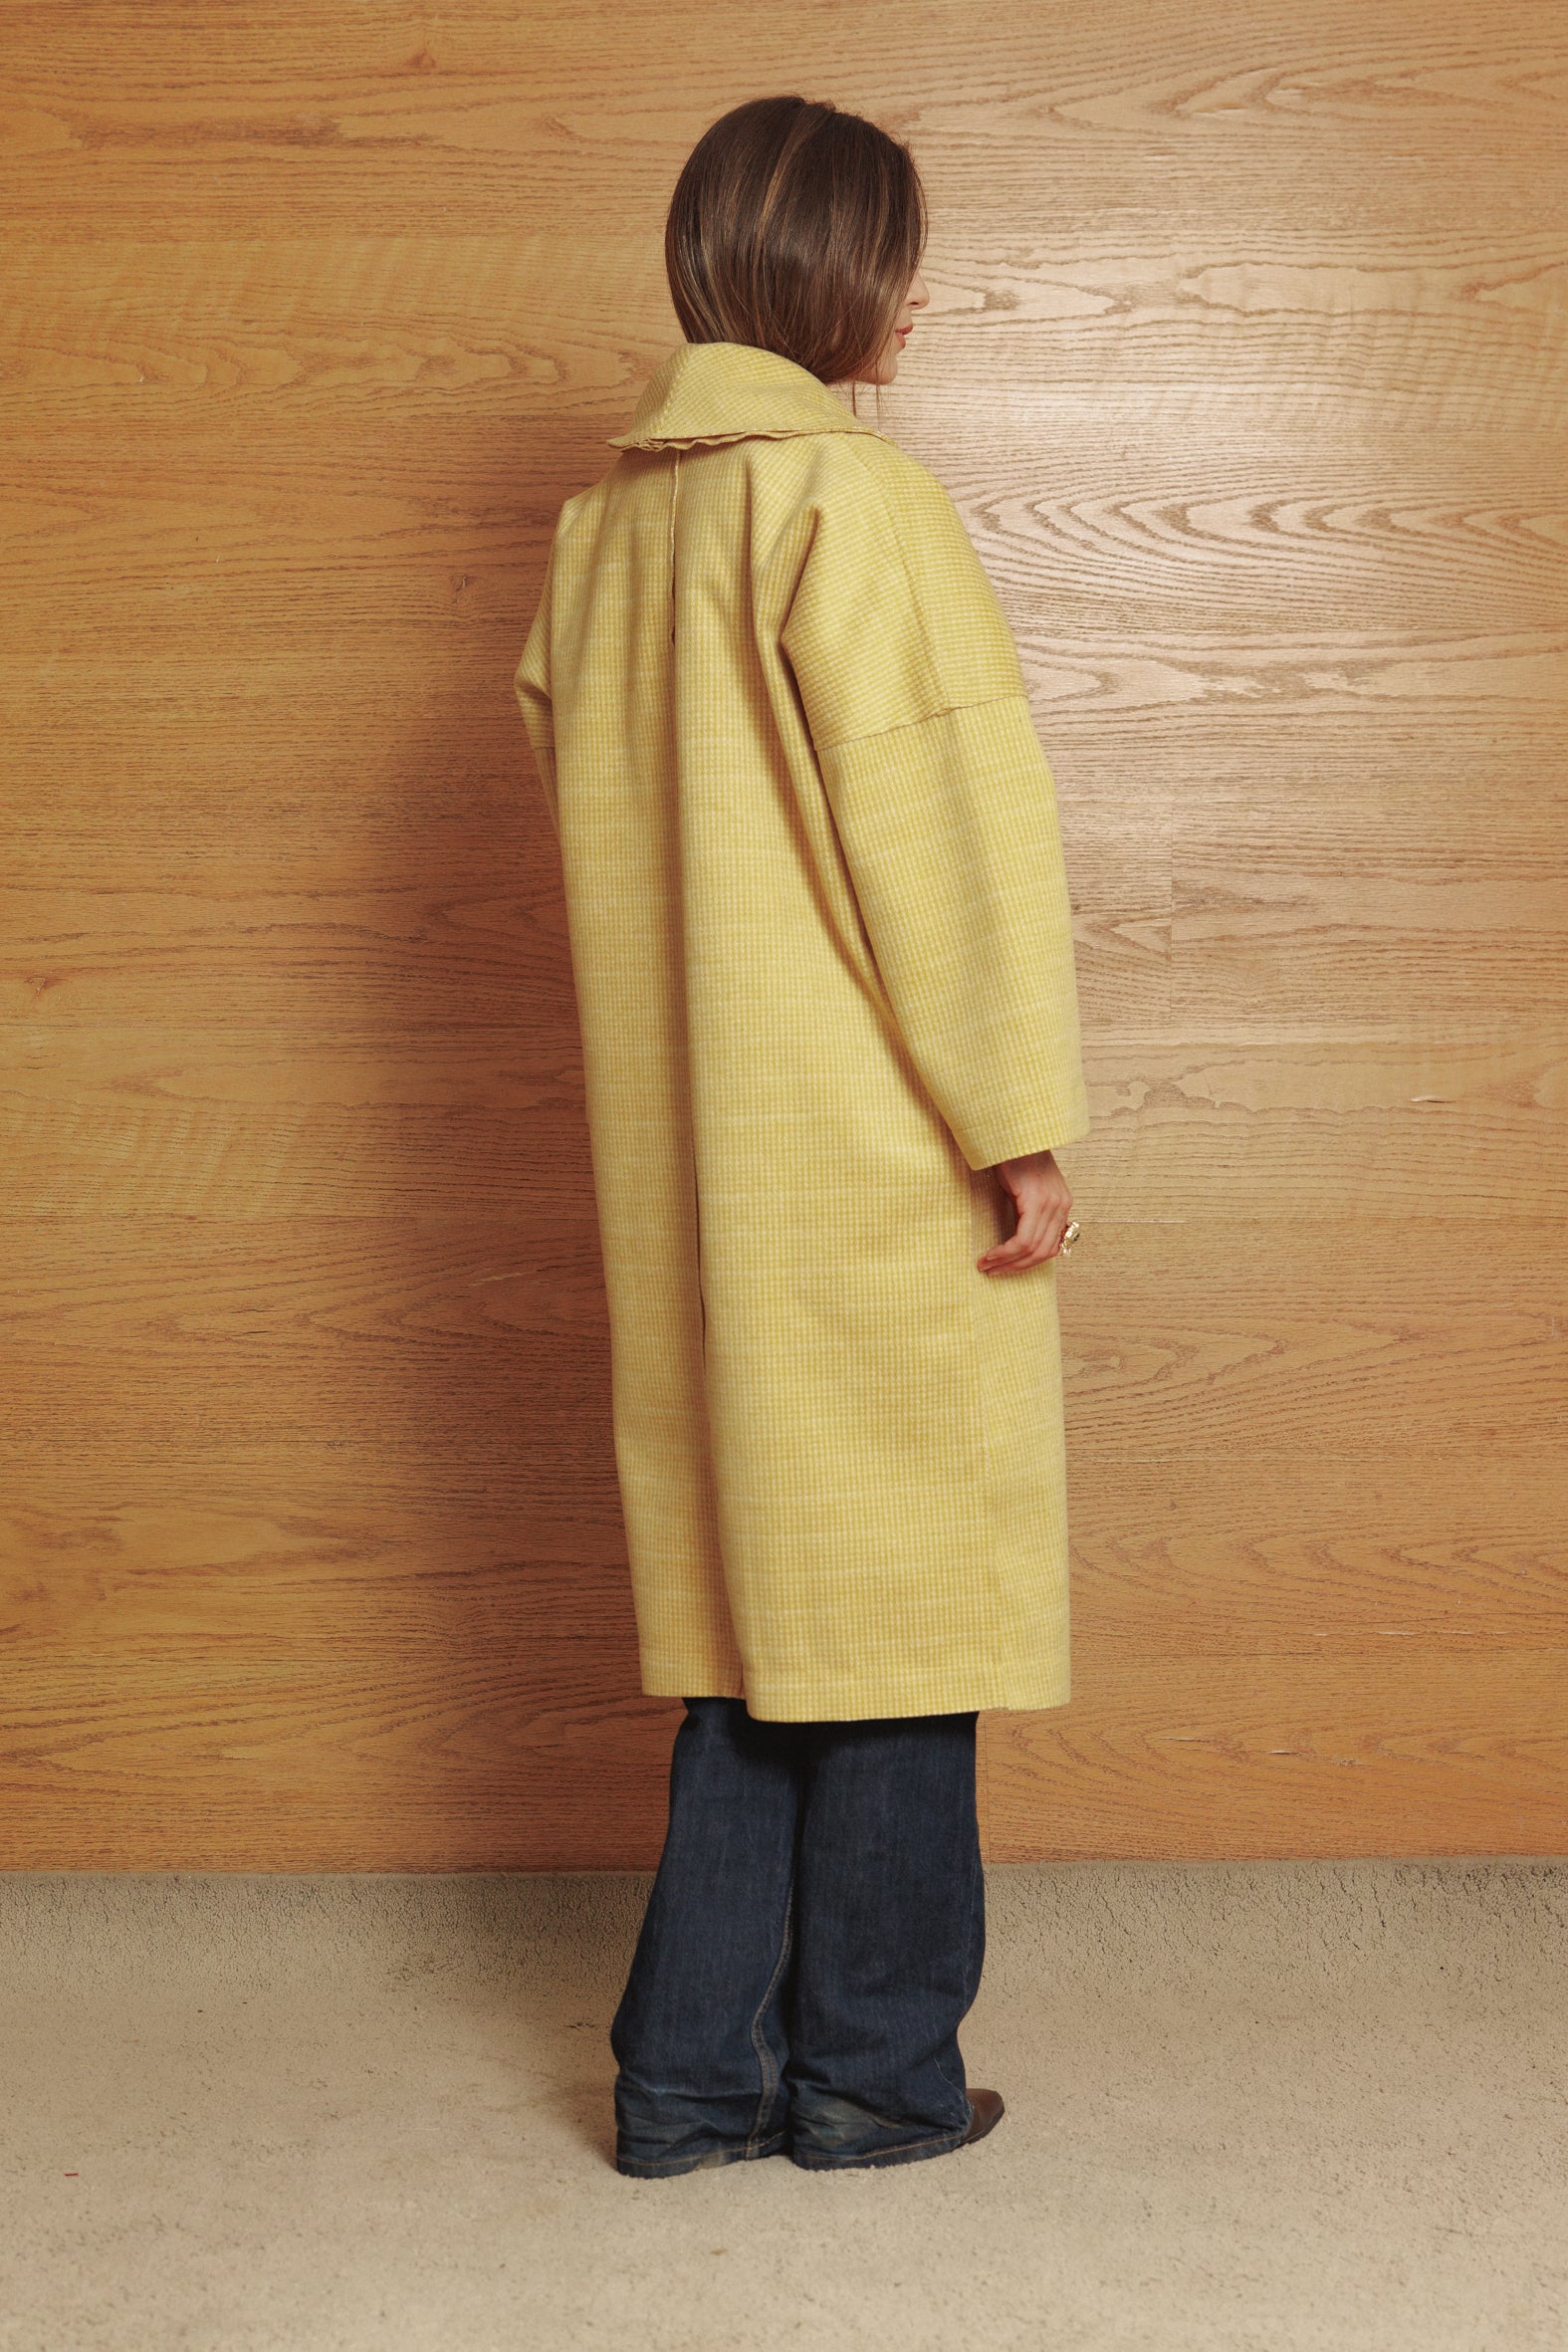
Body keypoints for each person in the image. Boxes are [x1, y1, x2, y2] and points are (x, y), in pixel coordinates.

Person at [514, 94, 1089, 2178]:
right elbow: (944, 835)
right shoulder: (854, 502)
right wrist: (1014, 1118)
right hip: (856, 1147)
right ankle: (870, 2073)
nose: (917, 298)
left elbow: (592, 797)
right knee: (896, 1619)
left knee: (759, 1627)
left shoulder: (605, 534)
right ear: (836, 270)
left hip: (690, 1158)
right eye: (901, 260)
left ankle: (686, 2079)